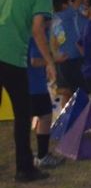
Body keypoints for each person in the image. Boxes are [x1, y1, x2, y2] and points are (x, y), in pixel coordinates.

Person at [0, 0, 64, 182]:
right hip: (10, 55)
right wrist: (49, 61)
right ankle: (24, 168)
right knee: (22, 113)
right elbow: (38, 30)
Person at [27, 22, 64, 169]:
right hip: (34, 85)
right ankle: (42, 156)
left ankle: (28, 154)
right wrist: (53, 61)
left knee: (28, 119)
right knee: (45, 116)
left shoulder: (27, 33)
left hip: (27, 82)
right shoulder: (38, 36)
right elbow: (34, 60)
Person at [52, 0, 89, 108]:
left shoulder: (54, 17)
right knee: (80, 92)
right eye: (68, 2)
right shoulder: (67, 14)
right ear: (64, 5)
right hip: (74, 57)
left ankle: (64, 123)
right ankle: (80, 121)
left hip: (61, 58)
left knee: (66, 93)